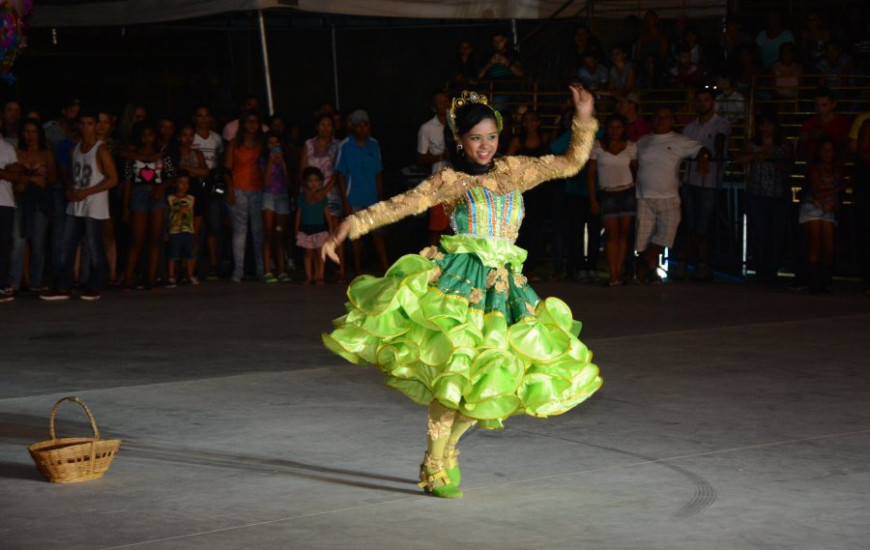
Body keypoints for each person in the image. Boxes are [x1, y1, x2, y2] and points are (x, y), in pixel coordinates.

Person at [321, 86, 602, 499]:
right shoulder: (449, 181)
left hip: (505, 289)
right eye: (475, 138)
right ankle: (434, 462)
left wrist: (583, 118)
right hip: (460, 284)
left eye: (491, 136)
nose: (485, 146)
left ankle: (449, 449)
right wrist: (348, 227)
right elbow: (397, 206)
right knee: (454, 377)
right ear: (460, 141)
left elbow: (572, 161)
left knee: (491, 378)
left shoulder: (516, 171)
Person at [41, 110, 118, 301]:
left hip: (94, 204)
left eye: (89, 123)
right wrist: (70, 188)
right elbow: (71, 174)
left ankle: (93, 285)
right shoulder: (75, 149)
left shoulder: (101, 149)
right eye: (82, 123)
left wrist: (87, 192)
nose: (85, 127)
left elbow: (113, 179)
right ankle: (63, 285)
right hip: (76, 203)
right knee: (67, 245)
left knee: (93, 246)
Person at [635, 107, 709, 285]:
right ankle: (651, 270)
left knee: (666, 235)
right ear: (652, 119)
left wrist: (703, 160)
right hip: (644, 196)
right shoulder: (642, 141)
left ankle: (642, 263)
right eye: (658, 117)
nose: (661, 120)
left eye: (665, 117)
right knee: (643, 237)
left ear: (672, 120)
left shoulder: (679, 140)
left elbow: (702, 149)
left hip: (670, 197)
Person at [673, 85, 731, 282]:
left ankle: (684, 259)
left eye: (706, 100)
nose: (702, 104)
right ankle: (701, 265)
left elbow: (720, 143)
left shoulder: (721, 124)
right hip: (691, 180)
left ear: (712, 102)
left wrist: (711, 154)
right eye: (699, 100)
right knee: (692, 224)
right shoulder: (689, 128)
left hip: (710, 182)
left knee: (703, 225)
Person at [734, 113, 793, 285]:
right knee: (759, 233)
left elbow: (790, 165)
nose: (766, 128)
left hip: (778, 194)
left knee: (775, 234)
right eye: (763, 124)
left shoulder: (784, 145)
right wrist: (756, 156)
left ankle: (772, 270)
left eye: (769, 124)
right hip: (757, 194)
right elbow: (739, 158)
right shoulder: (753, 144)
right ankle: (761, 270)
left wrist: (776, 160)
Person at [121, 120, 176, 291]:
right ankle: (128, 278)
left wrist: (162, 187)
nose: (147, 138)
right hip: (138, 193)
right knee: (137, 238)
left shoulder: (162, 155)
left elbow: (172, 176)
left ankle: (151, 278)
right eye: (144, 135)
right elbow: (128, 181)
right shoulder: (132, 156)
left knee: (156, 238)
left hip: (157, 194)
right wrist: (125, 205)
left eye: (150, 134)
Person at [335, 109, 388, 275]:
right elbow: (340, 176)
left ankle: (387, 269)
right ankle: (358, 272)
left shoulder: (374, 144)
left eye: (366, 126)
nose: (363, 129)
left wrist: (380, 198)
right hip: (354, 197)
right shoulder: (344, 146)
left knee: (377, 235)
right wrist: (345, 202)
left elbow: (378, 173)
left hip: (371, 197)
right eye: (360, 126)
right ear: (354, 127)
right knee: (356, 238)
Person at [588, 114, 637, 286]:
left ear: (623, 129)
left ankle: (617, 273)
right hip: (607, 193)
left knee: (623, 234)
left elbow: (636, 171)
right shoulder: (597, 147)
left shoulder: (631, 147)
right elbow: (591, 175)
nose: (614, 131)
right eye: (611, 127)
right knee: (611, 234)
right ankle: (613, 274)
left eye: (618, 127)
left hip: (627, 192)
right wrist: (593, 199)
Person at [11, 119, 57, 293]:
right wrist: (30, 177)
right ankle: (15, 281)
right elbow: (12, 177)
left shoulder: (46, 154)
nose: (30, 135)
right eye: (27, 131)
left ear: (39, 134)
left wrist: (40, 176)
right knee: (18, 242)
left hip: (40, 201)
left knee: (38, 243)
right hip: (20, 200)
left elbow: (53, 179)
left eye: (34, 132)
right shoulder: (17, 153)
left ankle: (36, 280)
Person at [300, 112, 343, 280]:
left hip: (330, 193)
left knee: (333, 232)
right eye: (322, 125)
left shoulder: (337, 145)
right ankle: (317, 273)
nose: (326, 128)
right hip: (310, 194)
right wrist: (310, 193)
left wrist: (323, 192)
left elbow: (337, 172)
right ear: (316, 127)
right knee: (313, 233)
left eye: (329, 125)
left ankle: (338, 270)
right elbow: (303, 170)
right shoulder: (308, 144)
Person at [798, 140, 844, 294]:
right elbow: (817, 193)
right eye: (824, 150)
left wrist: (834, 204)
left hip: (828, 208)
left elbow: (836, 197)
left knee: (829, 248)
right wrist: (837, 190)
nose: (827, 154)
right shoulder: (815, 170)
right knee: (815, 244)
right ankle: (814, 283)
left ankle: (825, 281)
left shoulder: (836, 170)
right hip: (813, 207)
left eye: (830, 150)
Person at [225, 111, 266, 282]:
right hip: (238, 189)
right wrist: (230, 190)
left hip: (258, 190)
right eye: (248, 122)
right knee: (240, 232)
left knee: (258, 232)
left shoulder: (261, 144)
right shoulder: (235, 144)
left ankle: (261, 269)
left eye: (255, 122)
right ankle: (238, 270)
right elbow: (227, 169)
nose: (251, 125)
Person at [191, 106, 224, 281]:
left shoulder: (217, 138)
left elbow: (220, 162)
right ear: (194, 118)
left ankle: (213, 266)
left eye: (206, 116)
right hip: (195, 185)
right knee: (195, 229)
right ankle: (193, 266)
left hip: (211, 187)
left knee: (214, 228)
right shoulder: (191, 137)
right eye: (200, 116)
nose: (203, 119)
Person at [417, 92, 451, 246]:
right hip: (438, 183)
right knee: (437, 227)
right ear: (433, 108)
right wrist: (441, 157)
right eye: (440, 103)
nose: (445, 105)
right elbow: (421, 158)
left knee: (456, 226)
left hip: (459, 181)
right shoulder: (427, 128)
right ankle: (429, 263)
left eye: (447, 102)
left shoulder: (459, 124)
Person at [261, 131, 291, 283]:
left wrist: (282, 163)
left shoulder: (284, 159)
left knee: (280, 234)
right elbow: (265, 182)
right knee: (268, 233)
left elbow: (287, 181)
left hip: (282, 197)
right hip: (268, 196)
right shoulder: (263, 160)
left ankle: (282, 270)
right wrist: (271, 162)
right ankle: (267, 270)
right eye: (270, 144)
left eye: (277, 144)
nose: (274, 147)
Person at [296, 167, 333, 285]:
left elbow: (327, 212)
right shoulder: (302, 197)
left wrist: (330, 226)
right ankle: (309, 276)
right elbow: (299, 213)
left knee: (319, 251)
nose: (313, 183)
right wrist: (296, 228)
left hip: (320, 227)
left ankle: (320, 275)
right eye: (310, 180)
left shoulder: (322, 197)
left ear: (321, 182)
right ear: (306, 182)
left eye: (316, 180)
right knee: (308, 252)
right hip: (306, 228)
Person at [166, 172, 197, 286]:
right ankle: (171, 275)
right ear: (175, 184)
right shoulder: (171, 199)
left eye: (186, 183)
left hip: (188, 230)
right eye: (181, 182)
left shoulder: (191, 198)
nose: (184, 186)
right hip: (174, 230)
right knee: (173, 254)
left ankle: (190, 275)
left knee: (190, 254)